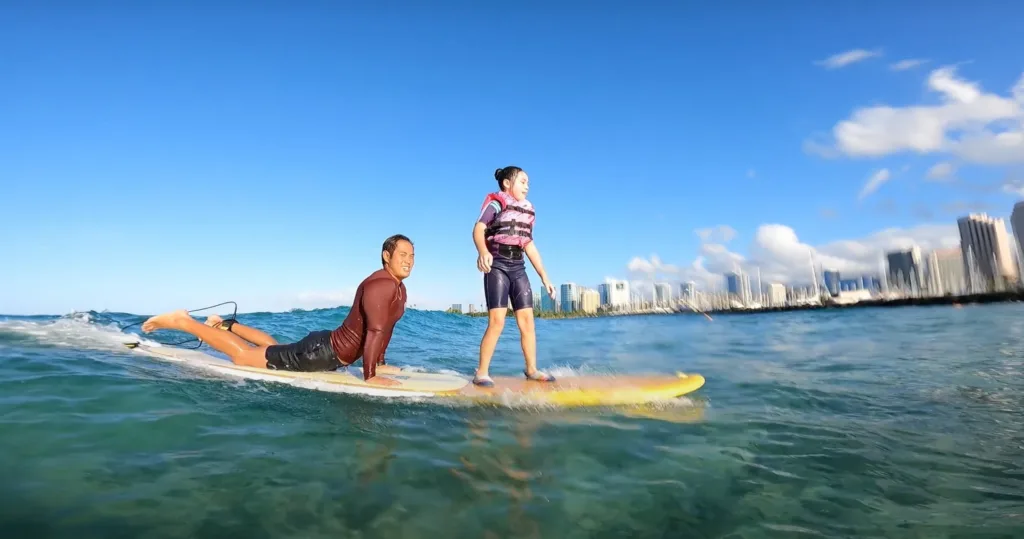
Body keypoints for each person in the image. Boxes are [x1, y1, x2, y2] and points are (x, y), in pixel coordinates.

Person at [140, 234, 415, 387]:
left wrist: (380, 362)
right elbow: (376, 330)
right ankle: (183, 321)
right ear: (386, 256)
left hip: (323, 350)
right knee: (243, 356)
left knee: (273, 347)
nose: (409, 261)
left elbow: (384, 328)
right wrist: (371, 377)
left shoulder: (398, 289)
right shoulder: (381, 285)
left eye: (412, 256)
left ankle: (225, 325)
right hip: (320, 353)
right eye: (403, 255)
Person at [471, 165, 557, 387]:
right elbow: (478, 229)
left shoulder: (528, 211)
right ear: (507, 184)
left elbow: (529, 244)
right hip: (498, 265)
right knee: (497, 321)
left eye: (529, 182)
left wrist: (545, 277)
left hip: (519, 267)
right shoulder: (496, 203)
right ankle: (482, 372)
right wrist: (482, 252)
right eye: (522, 181)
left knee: (527, 322)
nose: (527, 186)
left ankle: (531, 369)